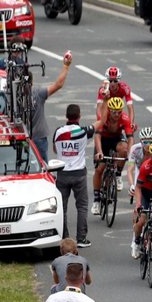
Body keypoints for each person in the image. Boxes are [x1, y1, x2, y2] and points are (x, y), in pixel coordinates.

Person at [52, 104, 92, 247]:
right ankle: (81, 239)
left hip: (62, 172)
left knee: (62, 207)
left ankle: (64, 238)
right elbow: (100, 122)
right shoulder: (83, 131)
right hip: (79, 173)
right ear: (79, 116)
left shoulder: (58, 131)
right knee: (82, 206)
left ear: (66, 116)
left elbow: (55, 149)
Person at [31, 50, 72, 161]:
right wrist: (66, 66)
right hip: (38, 138)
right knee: (43, 168)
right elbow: (58, 84)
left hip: (20, 139)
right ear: (31, 83)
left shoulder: (12, 95)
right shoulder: (38, 93)